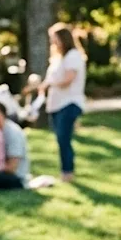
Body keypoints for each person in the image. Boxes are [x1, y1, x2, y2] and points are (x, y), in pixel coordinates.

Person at [38, 23, 87, 182]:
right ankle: (65, 172)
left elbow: (68, 80)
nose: (53, 42)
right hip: (56, 104)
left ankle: (68, 172)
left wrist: (50, 83)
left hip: (69, 103)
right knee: (61, 139)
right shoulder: (58, 58)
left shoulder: (73, 56)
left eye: (55, 39)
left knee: (63, 138)